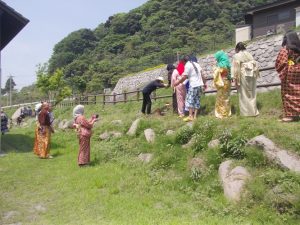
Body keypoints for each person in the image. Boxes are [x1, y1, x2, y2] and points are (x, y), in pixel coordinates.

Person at [275, 31, 300, 122]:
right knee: (298, 91)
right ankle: (296, 114)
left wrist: (282, 71)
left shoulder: (286, 49)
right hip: (298, 71)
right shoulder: (298, 48)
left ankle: (290, 116)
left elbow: (281, 62)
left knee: (288, 94)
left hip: (290, 73)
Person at [174, 55, 206, 121]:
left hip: (193, 85)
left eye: (182, 62)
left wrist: (177, 83)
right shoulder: (196, 64)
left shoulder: (187, 65)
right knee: (197, 100)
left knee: (189, 100)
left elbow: (184, 77)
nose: (182, 64)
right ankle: (195, 117)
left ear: (183, 61)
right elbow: (202, 75)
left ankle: (190, 116)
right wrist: (204, 83)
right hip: (199, 85)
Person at [231, 42, 260, 117]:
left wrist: (234, 78)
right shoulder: (249, 54)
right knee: (252, 92)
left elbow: (235, 68)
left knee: (243, 93)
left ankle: (246, 113)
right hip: (252, 74)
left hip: (243, 74)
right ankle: (253, 111)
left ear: (237, 49)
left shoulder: (236, 56)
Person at [213, 50, 232, 119]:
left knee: (221, 98)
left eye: (217, 57)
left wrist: (215, 69)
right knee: (227, 98)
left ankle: (222, 114)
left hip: (222, 83)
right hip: (228, 82)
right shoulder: (227, 64)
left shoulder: (221, 65)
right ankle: (227, 113)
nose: (216, 59)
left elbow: (218, 74)